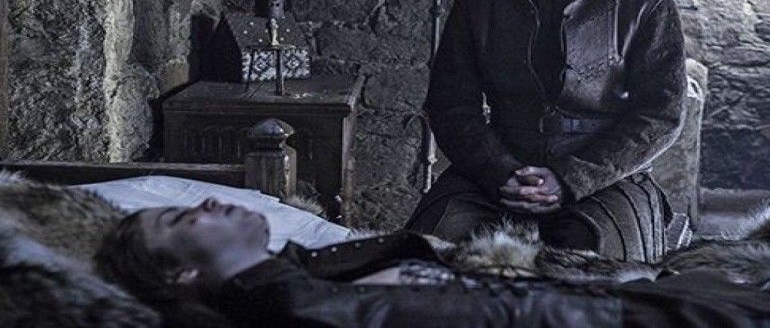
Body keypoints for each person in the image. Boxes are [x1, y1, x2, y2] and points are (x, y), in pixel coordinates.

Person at [405, 0, 687, 262]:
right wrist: (500, 172)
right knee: (422, 254)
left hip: (605, 174)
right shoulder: (476, 6)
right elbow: (451, 105)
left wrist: (574, 178)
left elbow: (662, 113)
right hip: (498, 171)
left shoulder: (646, 5)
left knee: (610, 269)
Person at [95, 198, 770, 328]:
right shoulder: (293, 306)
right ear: (181, 273)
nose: (207, 200)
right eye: (180, 219)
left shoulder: (312, 272)